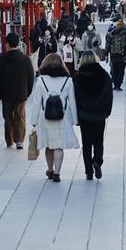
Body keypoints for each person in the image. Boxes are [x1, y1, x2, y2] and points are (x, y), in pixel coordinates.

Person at [29, 53, 79, 182]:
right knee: (58, 146)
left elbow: (36, 103)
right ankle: (57, 173)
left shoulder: (41, 80)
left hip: (45, 118)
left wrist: (33, 122)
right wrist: (75, 119)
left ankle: (50, 169)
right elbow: (72, 101)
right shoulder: (68, 80)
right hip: (62, 118)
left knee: (48, 145)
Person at [74, 51, 113, 180]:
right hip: (99, 115)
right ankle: (97, 160)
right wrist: (107, 111)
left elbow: (75, 98)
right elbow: (109, 95)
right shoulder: (104, 75)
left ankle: (88, 171)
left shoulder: (78, 77)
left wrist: (77, 115)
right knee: (98, 141)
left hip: (84, 115)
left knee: (86, 143)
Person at [0, 32, 35, 149]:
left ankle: (9, 140)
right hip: (21, 93)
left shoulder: (2, 60)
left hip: (6, 94)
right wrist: (28, 92)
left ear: (7, 44)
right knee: (20, 116)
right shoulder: (25, 59)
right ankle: (20, 140)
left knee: (8, 117)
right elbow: (31, 77)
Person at [105, 19, 126, 91]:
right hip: (123, 55)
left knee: (114, 70)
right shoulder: (125, 33)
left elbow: (107, 45)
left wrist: (106, 54)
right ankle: (118, 85)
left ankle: (115, 84)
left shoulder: (111, 33)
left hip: (113, 55)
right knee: (121, 71)